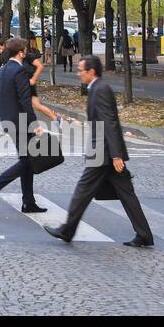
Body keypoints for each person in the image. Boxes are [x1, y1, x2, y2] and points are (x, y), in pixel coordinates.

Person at [46, 56, 154, 248]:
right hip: (105, 151)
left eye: (81, 70)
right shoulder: (97, 88)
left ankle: (67, 230)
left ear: (91, 72)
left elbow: (108, 123)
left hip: (103, 153)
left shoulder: (100, 89)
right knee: (126, 194)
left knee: (83, 191)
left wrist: (116, 155)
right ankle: (144, 234)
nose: (78, 73)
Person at [0, 38, 46, 213]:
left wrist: (4, 114)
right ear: (20, 53)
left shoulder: (2, 72)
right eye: (24, 50)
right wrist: (34, 124)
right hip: (22, 122)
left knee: (27, 159)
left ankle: (28, 202)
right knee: (27, 160)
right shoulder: (20, 71)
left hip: (9, 121)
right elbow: (25, 100)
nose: (26, 52)